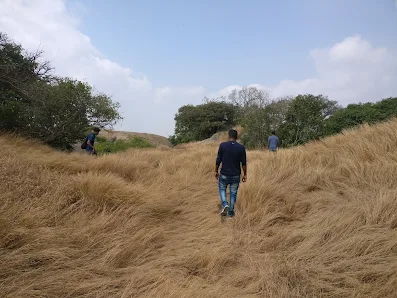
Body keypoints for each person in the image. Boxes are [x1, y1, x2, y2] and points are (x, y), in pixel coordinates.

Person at [215, 129, 247, 218]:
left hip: (224, 174)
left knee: (222, 189)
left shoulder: (223, 146)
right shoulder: (241, 148)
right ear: (236, 137)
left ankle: (225, 204)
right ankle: (230, 214)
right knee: (233, 194)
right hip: (236, 175)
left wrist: (216, 171)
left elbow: (218, 160)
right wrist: (245, 174)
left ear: (229, 136)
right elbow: (243, 163)